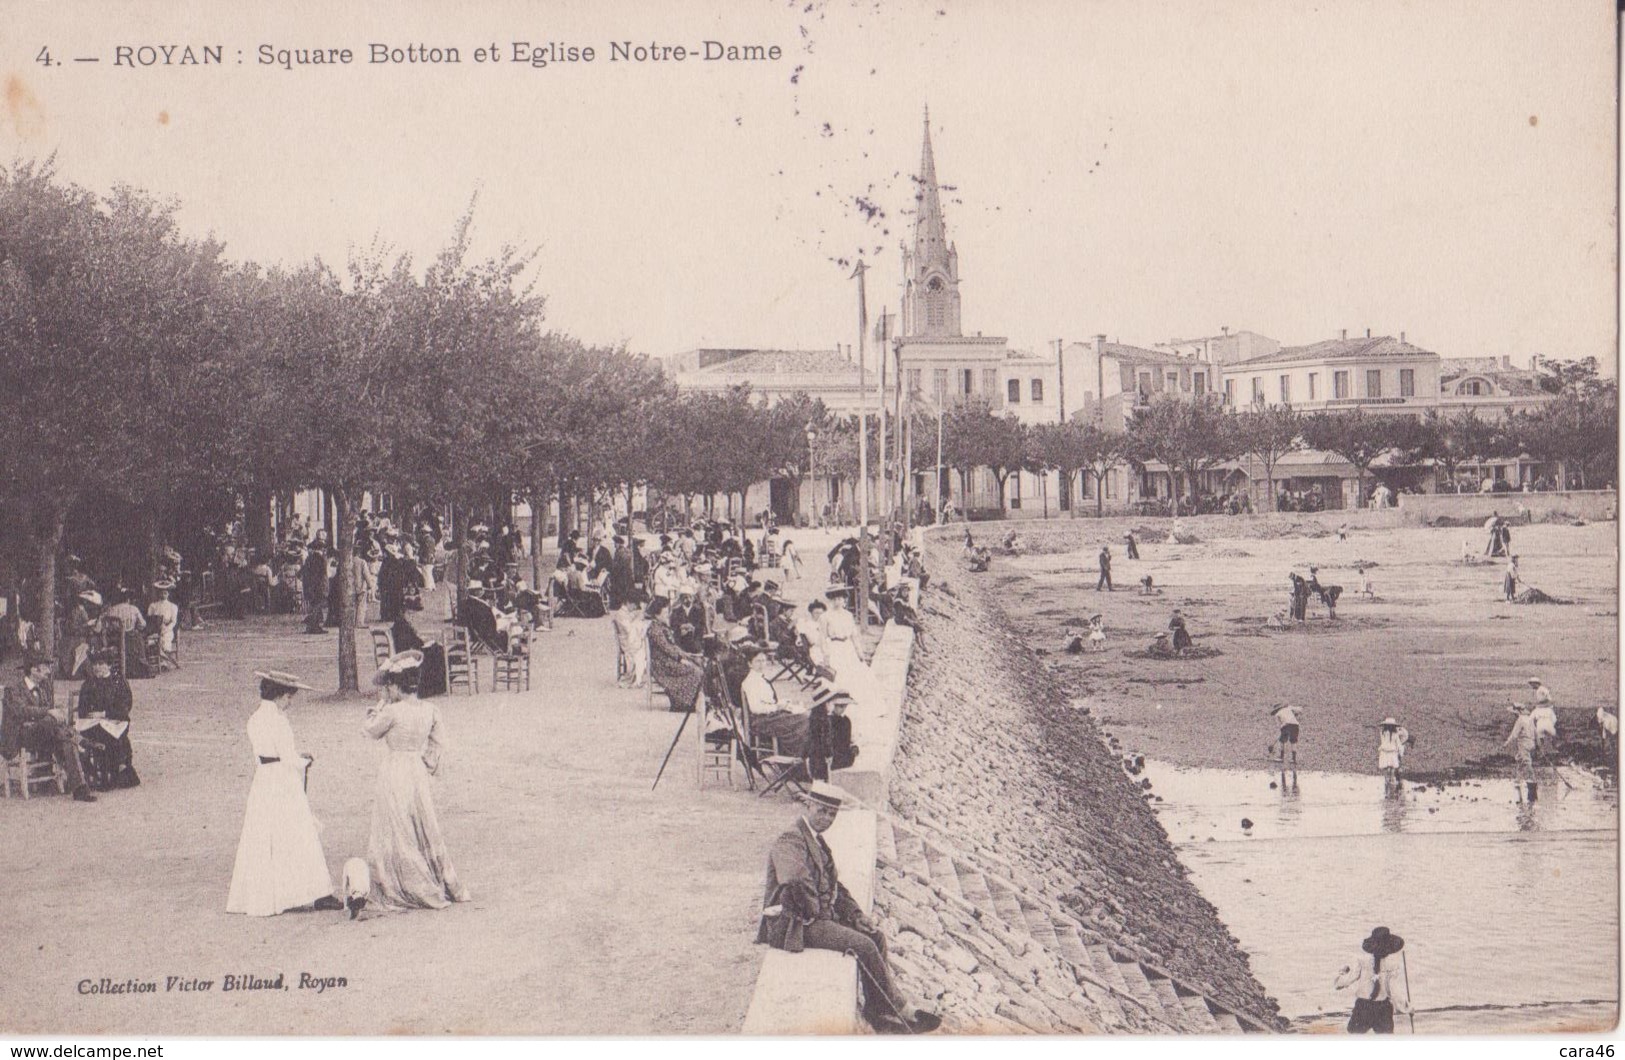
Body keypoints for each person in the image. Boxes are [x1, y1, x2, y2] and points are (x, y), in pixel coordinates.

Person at [755, 783, 940, 1034]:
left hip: (813, 916)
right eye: (822, 811)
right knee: (862, 945)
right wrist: (819, 912)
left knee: (874, 936)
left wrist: (855, 915)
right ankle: (900, 1009)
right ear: (808, 805)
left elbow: (834, 885)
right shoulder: (791, 839)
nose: (827, 818)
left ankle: (878, 1010)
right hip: (794, 922)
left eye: (832, 814)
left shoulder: (814, 839)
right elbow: (793, 879)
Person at [363, 651, 472, 912]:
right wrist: (427, 762)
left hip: (395, 768)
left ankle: (405, 881)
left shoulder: (392, 712)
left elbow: (369, 730)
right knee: (421, 820)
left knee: (397, 823)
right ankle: (434, 877)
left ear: (397, 685)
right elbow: (439, 743)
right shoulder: (430, 710)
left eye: (390, 685)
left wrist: (378, 706)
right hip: (416, 769)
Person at [226, 671, 340, 915]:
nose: (290, 703)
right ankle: (318, 893)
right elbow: (288, 756)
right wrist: (303, 761)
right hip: (282, 781)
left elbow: (266, 754)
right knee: (299, 832)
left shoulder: (255, 718)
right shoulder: (279, 720)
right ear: (279, 695)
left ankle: (269, 893)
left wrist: (297, 758)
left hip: (263, 780)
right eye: (289, 697)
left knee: (266, 835)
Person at [2, 652, 96, 802]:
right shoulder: (13, 689)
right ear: (34, 670)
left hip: (43, 734)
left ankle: (80, 789)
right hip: (20, 736)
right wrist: (49, 712)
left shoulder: (43, 687)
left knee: (66, 741)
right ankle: (79, 738)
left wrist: (54, 714)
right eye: (45, 667)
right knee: (50, 721)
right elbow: (22, 711)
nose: (49, 671)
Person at [76, 650, 139, 789]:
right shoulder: (88, 684)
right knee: (107, 734)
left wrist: (104, 713)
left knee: (113, 733)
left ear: (109, 666)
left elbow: (125, 707)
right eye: (94, 664)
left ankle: (110, 774)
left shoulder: (119, 682)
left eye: (101, 664)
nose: (97, 667)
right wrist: (91, 714)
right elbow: (82, 709)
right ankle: (117, 771)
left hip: (116, 720)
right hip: (92, 724)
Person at [1334, 927, 1411, 1034]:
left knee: (1355, 1035)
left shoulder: (1362, 960)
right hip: (1382, 1009)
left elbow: (1350, 978)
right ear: (1389, 947)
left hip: (1363, 1007)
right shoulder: (1392, 964)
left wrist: (1339, 979)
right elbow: (1394, 991)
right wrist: (1406, 1007)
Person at [821, 586, 883, 712]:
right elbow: (822, 638)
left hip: (847, 647)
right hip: (835, 647)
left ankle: (856, 702)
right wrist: (826, 655)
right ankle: (838, 703)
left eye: (840, 599)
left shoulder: (848, 615)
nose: (837, 602)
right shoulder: (825, 616)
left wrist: (859, 652)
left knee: (856, 673)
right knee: (838, 675)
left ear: (844, 600)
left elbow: (854, 635)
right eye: (834, 599)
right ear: (831, 601)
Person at [646, 597, 705, 712]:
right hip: (663, 665)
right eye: (665, 611)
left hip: (668, 660)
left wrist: (687, 655)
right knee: (695, 671)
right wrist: (681, 659)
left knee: (698, 664)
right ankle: (682, 702)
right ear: (658, 613)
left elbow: (673, 647)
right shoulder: (655, 629)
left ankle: (686, 700)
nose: (668, 614)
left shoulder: (660, 626)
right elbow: (667, 648)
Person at [1504, 701, 1539, 803]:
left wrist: (1506, 743)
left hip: (1523, 744)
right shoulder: (1529, 719)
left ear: (1518, 712)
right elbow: (1535, 732)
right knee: (1519, 760)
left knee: (1526, 762)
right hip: (1531, 743)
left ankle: (1532, 782)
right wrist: (1538, 744)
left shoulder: (1520, 720)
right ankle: (1518, 780)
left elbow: (1514, 735)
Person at [1376, 718, 1410, 797]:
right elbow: (1399, 744)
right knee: (1392, 770)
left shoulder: (1382, 733)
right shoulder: (1395, 734)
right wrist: (1401, 753)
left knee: (1386, 771)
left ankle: (1387, 789)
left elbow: (1383, 743)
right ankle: (1391, 789)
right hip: (1392, 754)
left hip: (1384, 753)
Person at [1526, 677, 1557, 751]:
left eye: (1532, 684)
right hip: (1545, 709)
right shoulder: (1540, 690)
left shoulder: (1541, 690)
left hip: (1544, 709)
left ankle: (1539, 746)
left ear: (1536, 683)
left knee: (1531, 722)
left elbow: (1549, 700)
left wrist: (1537, 704)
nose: (1531, 686)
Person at [1269, 703, 1301, 771]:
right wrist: (1295, 714)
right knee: (1293, 741)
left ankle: (1281, 757)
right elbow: (1299, 709)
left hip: (1286, 726)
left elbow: (1279, 726)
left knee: (1282, 741)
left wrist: (1282, 732)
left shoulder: (1277, 715)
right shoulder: (1288, 708)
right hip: (1295, 725)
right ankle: (1293, 759)